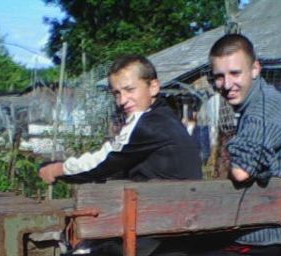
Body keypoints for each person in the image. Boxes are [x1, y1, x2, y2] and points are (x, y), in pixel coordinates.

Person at [209, 33, 281, 248]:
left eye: (235, 73)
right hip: (269, 216)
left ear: (255, 69)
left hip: (269, 232)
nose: (227, 84)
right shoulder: (262, 100)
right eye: (219, 76)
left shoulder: (265, 108)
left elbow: (241, 171)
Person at [39, 54, 202, 184]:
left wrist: (58, 169)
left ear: (153, 87)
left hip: (163, 210)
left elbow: (104, 163)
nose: (122, 100)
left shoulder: (148, 123)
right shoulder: (165, 117)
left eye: (130, 90)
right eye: (117, 93)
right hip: (180, 205)